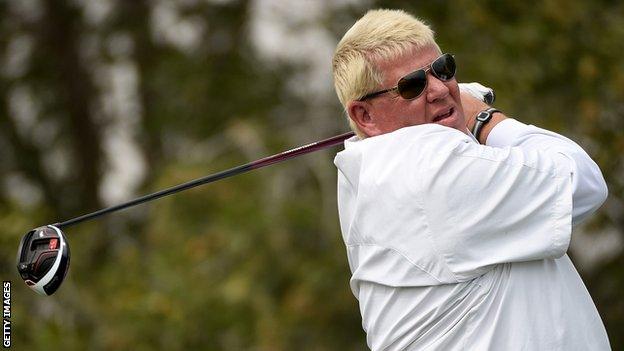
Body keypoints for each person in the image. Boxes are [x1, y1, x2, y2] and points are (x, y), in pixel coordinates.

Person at [331, 9, 611, 351]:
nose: (437, 89)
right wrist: (484, 117)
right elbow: (582, 181)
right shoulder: (430, 168)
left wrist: (448, 106)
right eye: (413, 85)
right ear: (365, 115)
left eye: (442, 70)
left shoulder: (368, 165)